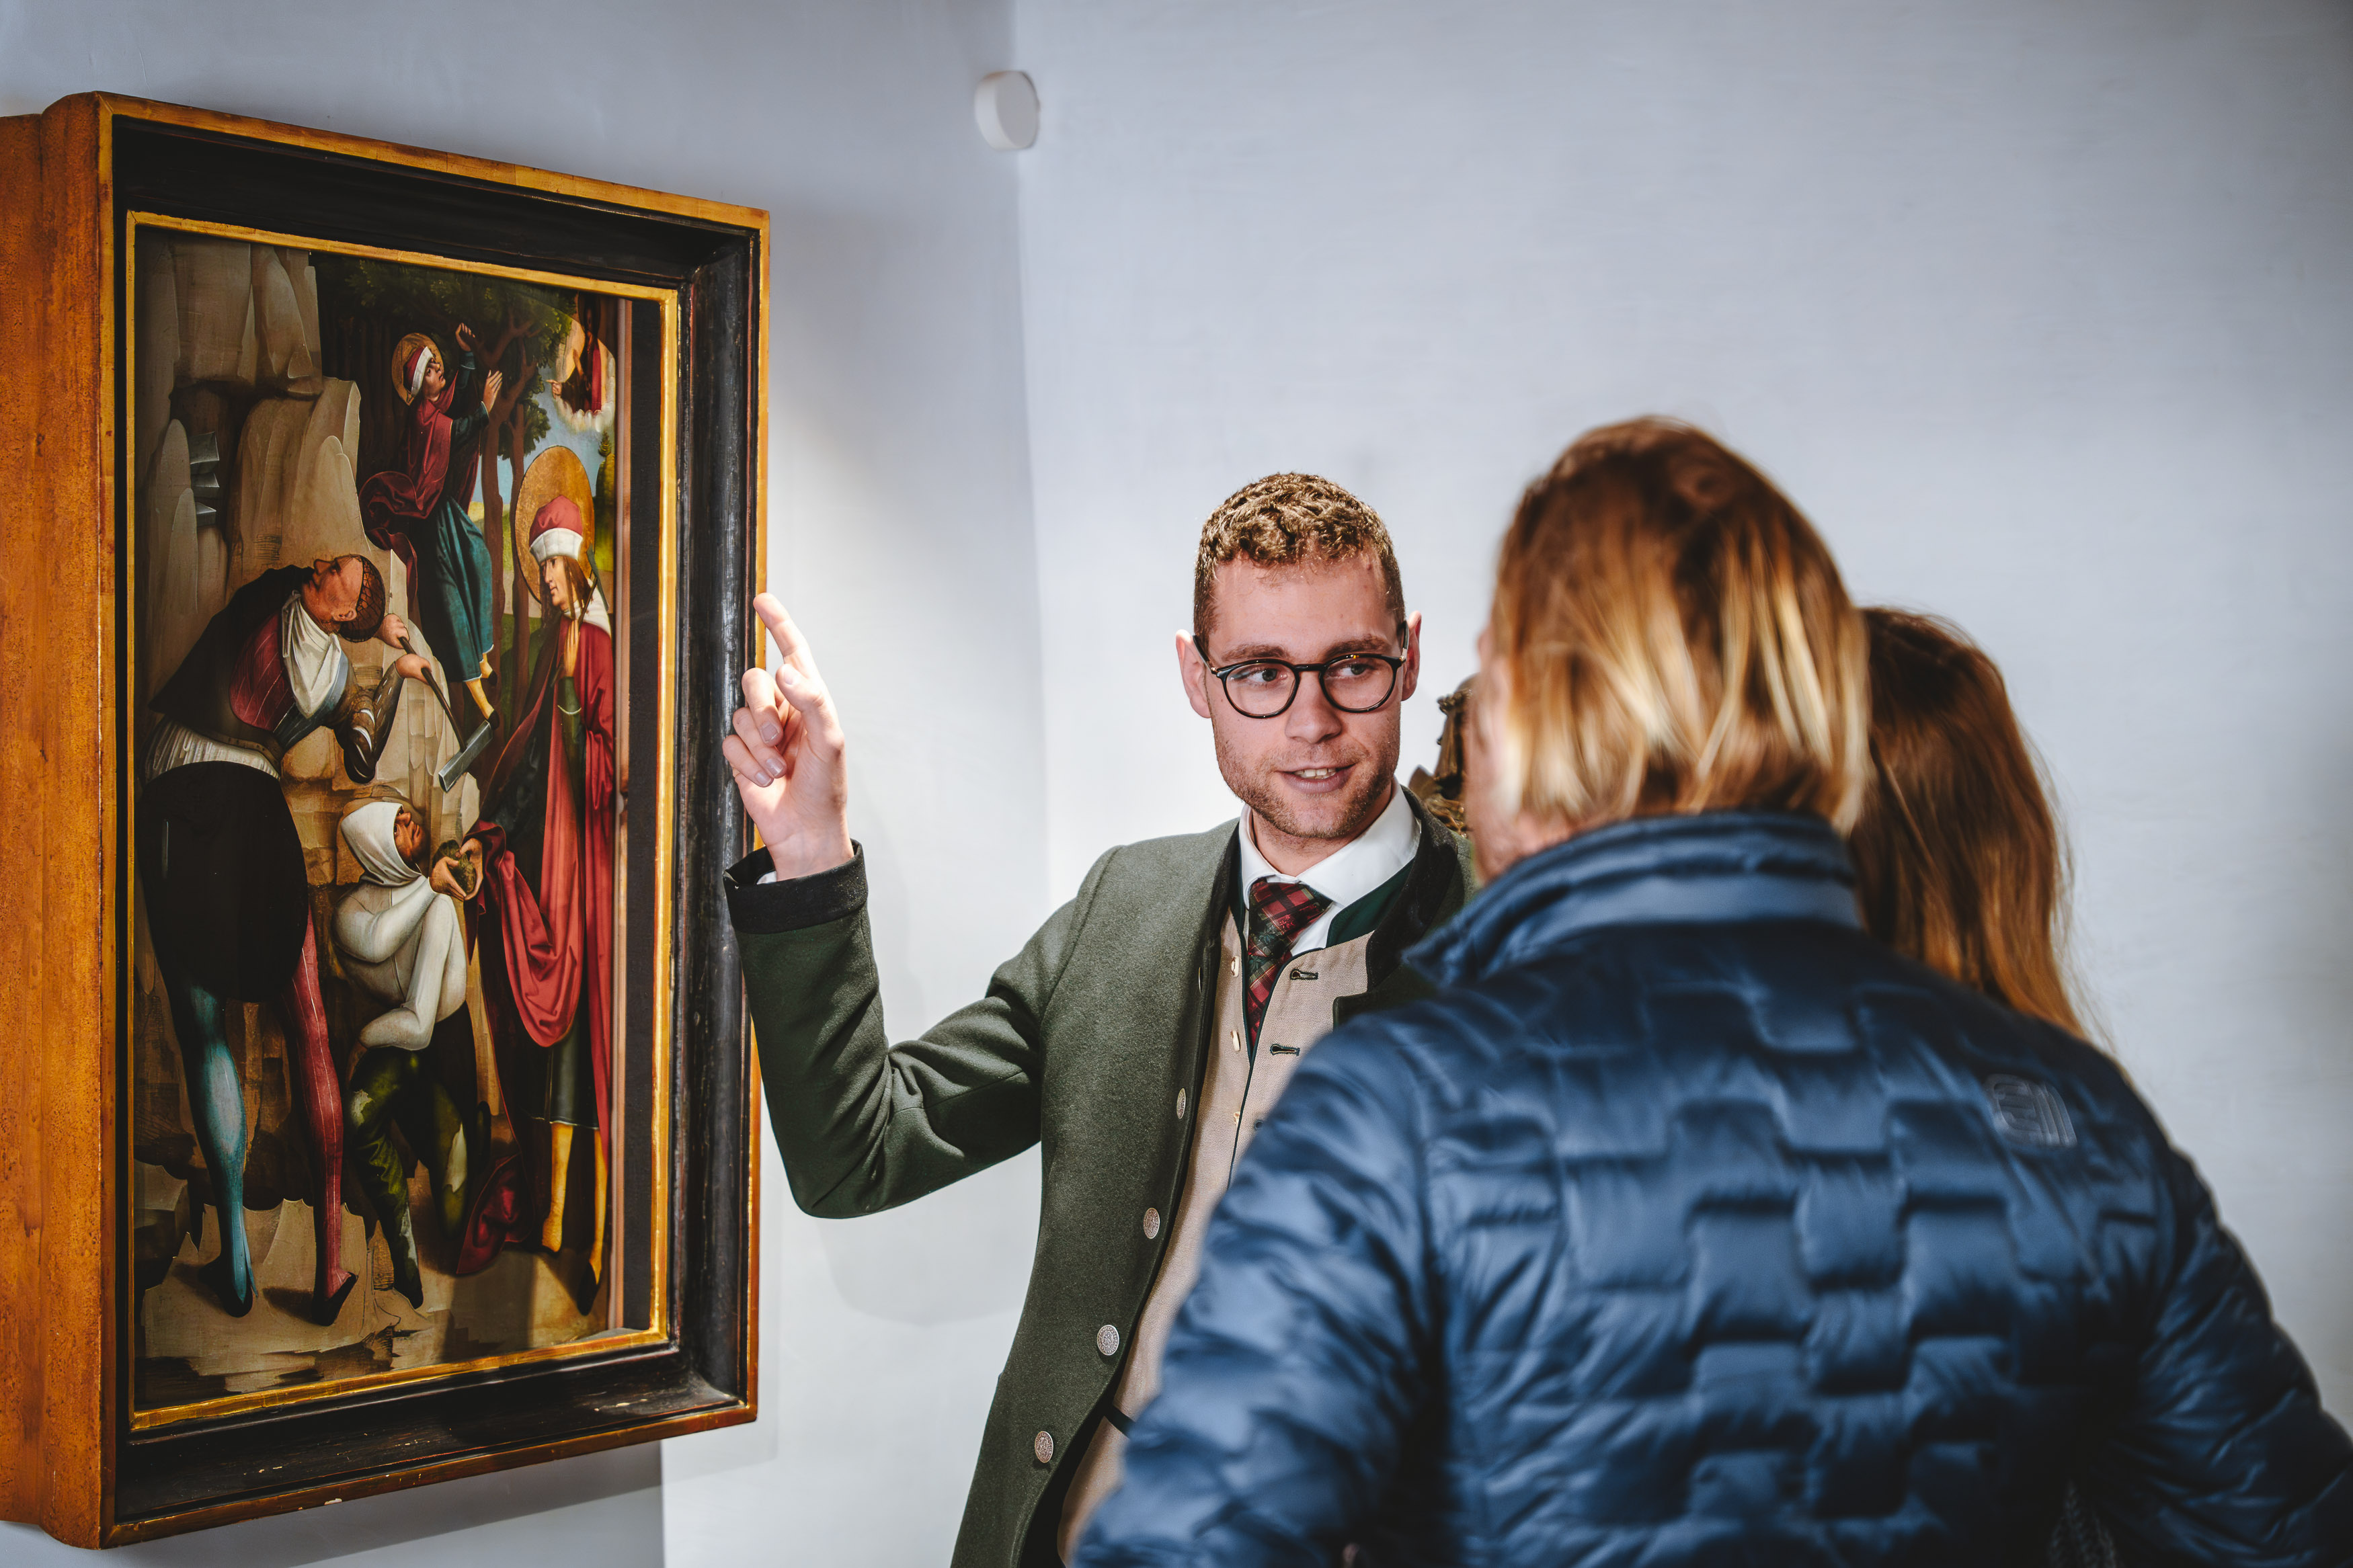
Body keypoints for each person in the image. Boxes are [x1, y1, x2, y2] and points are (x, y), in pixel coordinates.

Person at [1076, 419, 2352, 1566]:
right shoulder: (2074, 1120)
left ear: (1549, 711)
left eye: (1495, 671)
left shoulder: (1393, 1109)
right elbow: (2288, 1535)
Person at [720, 474, 1478, 1568]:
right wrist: (808, 855)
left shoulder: (1531, 952)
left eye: (1352, 665)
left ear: (1408, 657)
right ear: (1196, 678)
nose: (1312, 720)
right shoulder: (1126, 902)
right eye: (1261, 672)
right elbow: (858, 1153)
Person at [141, 553, 430, 1321]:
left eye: (347, 576)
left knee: (208, 1027)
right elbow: (361, 748)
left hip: (187, 795)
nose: (330, 563)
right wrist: (391, 672)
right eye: (342, 565)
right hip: (257, 811)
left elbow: (296, 641)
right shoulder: (331, 673)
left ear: (341, 610)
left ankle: (238, 1260)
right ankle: (327, 1266)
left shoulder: (289, 608)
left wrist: (382, 655)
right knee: (307, 1029)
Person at [436, 495, 616, 1270]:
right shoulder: (553, 649)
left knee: (586, 1049)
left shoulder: (596, 647)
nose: (542, 578)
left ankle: (592, 1230)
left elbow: (608, 765)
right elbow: (531, 762)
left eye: (551, 565)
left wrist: (574, 697)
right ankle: (549, 1213)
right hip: (548, 868)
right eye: (537, 565)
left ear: (574, 564)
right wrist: (489, 836)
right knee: (549, 1057)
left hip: (589, 877)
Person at [335, 799, 475, 1309]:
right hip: (398, 1040)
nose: (410, 822)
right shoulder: (350, 912)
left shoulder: (437, 899)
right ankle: (404, 1256)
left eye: (408, 817)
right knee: (358, 1115)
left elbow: (419, 1024)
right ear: (372, 841)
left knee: (456, 1199)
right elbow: (376, 942)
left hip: (441, 1040)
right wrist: (429, 886)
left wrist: (362, 1039)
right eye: (395, 823)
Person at [358, 325, 504, 725]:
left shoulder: (434, 403)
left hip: (442, 511)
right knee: (451, 598)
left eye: (436, 365)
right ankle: (479, 696)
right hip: (428, 520)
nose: (438, 369)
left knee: (478, 559)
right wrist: (485, 408)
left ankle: (482, 656)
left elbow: (454, 393)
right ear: (419, 387)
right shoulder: (424, 417)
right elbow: (460, 431)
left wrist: (466, 356)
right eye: (429, 370)